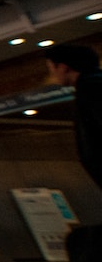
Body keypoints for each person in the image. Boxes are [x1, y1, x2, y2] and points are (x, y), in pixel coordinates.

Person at [45, 43, 102, 188]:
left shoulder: (91, 89)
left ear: (64, 68)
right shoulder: (91, 86)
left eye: (51, 69)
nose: (52, 75)